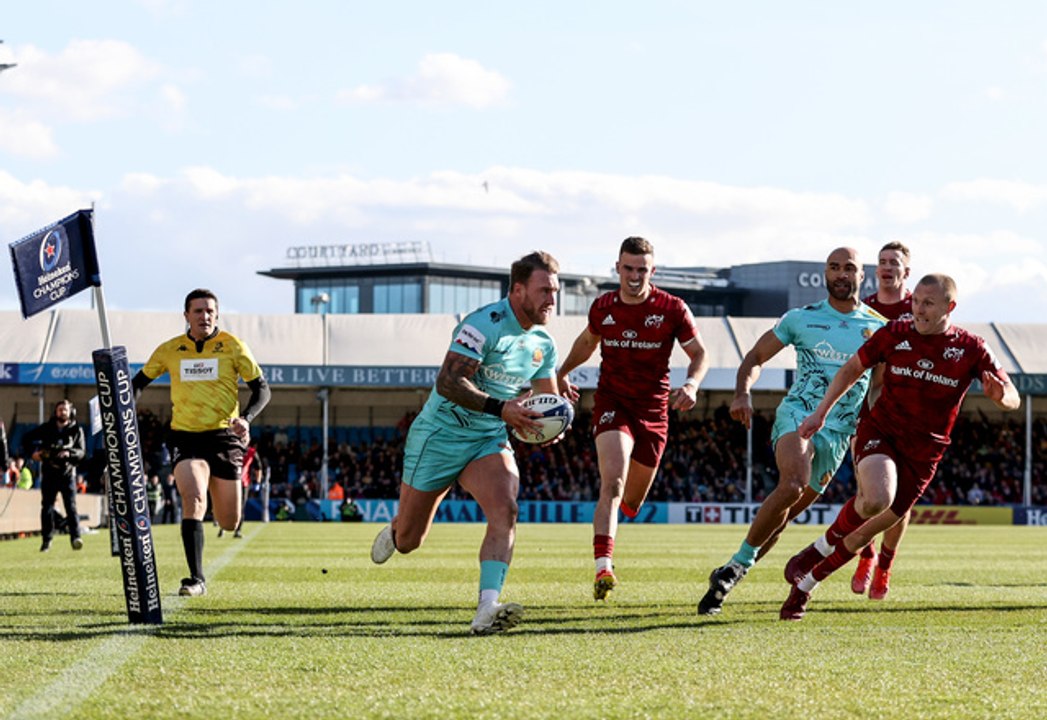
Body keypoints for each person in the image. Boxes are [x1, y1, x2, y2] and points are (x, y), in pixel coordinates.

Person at [780, 273, 1020, 620]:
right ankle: (818, 550)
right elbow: (851, 369)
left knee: (864, 532)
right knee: (877, 498)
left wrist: (1001, 397)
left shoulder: (972, 348)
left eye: (928, 304)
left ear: (950, 307)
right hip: (882, 432)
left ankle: (804, 586)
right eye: (916, 301)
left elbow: (1012, 395)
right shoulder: (895, 333)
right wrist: (821, 413)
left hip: (925, 454)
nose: (918, 309)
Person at [370, 251, 562, 635]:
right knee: (410, 541)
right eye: (544, 291)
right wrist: (502, 408)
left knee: (506, 509)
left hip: (487, 439)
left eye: (555, 291)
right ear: (518, 290)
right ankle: (396, 529)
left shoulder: (543, 343)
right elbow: (448, 382)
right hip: (439, 435)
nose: (552, 300)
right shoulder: (483, 324)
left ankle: (487, 608)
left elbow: (548, 401)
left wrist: (550, 424)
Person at [698, 247, 886, 615]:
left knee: (782, 520)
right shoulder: (801, 318)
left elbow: (877, 388)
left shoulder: (879, 328)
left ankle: (729, 573)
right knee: (793, 483)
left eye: (849, 268)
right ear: (825, 274)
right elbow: (755, 357)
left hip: (839, 434)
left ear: (862, 276)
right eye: (834, 267)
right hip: (799, 415)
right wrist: (742, 392)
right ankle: (737, 567)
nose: (841, 274)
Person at [555, 236, 709, 600]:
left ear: (652, 271)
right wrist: (561, 372)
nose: (635, 276)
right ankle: (603, 567)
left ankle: (619, 515)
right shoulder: (603, 306)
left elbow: (699, 353)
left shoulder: (673, 308)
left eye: (642, 269)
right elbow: (587, 343)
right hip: (613, 403)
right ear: (617, 268)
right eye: (628, 268)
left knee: (632, 502)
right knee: (612, 482)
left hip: (653, 410)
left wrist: (692, 384)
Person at [132, 288, 271, 597]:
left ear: (217, 315)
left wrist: (246, 418)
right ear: (186, 315)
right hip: (185, 436)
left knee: (229, 521)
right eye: (198, 311)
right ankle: (196, 578)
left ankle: (214, 489)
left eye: (210, 311)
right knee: (193, 498)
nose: (204, 316)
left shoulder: (234, 346)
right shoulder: (170, 349)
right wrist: (122, 408)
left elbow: (262, 389)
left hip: (224, 437)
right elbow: (137, 384)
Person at [850, 241, 915, 600]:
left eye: (894, 262)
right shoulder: (864, 309)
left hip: (909, 415)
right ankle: (866, 555)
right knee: (868, 491)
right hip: (866, 411)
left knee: (901, 499)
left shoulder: (919, 308)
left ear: (906, 271)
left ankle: (885, 566)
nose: (887, 267)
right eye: (882, 262)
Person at [23, 399, 86, 552]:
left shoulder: (76, 430)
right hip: (49, 472)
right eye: (60, 409)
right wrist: (33, 453)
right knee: (47, 507)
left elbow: (81, 452)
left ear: (70, 412)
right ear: (55, 412)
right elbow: (26, 439)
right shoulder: (46, 428)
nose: (62, 412)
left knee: (71, 507)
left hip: (67, 473)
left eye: (65, 409)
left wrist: (69, 453)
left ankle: (76, 537)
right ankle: (47, 540)